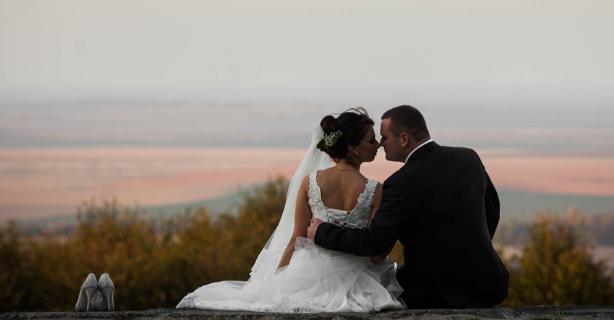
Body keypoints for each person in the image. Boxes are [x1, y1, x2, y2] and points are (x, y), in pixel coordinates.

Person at [176, 108, 405, 312]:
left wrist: (277, 279)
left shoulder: (310, 182)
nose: (378, 146)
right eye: (371, 141)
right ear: (353, 147)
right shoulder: (375, 190)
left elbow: (297, 238)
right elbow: (375, 253)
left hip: (311, 273)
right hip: (360, 277)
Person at [308, 105, 509, 308]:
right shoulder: (469, 158)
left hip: (434, 293)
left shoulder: (400, 183)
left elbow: (375, 242)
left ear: (403, 139)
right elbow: (491, 210)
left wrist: (322, 232)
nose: (380, 144)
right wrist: (471, 250)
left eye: (385, 137)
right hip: (487, 283)